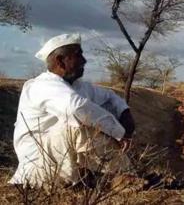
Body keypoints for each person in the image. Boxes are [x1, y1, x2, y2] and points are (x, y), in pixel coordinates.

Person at [9, 33, 135, 187]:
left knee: (96, 116)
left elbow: (109, 97)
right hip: (39, 166)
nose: (84, 60)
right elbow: (76, 108)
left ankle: (123, 176)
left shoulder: (77, 86)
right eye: (78, 55)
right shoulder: (41, 86)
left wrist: (125, 112)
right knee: (78, 125)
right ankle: (122, 177)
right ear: (60, 61)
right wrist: (120, 133)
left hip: (62, 160)